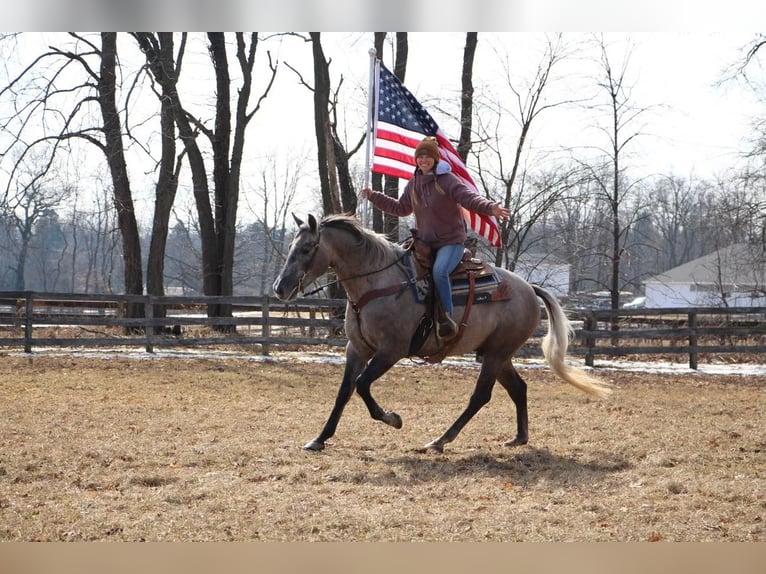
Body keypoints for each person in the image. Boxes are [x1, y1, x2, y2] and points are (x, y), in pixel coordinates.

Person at [362, 136, 510, 339]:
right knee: (401, 267)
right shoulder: (413, 183)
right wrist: (374, 196)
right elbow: (400, 208)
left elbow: (468, 197)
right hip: (425, 244)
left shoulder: (447, 180)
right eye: (420, 156)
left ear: (435, 159)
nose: (423, 160)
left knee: (440, 271)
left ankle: (446, 318)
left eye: (428, 156)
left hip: (451, 243)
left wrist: (489, 207)